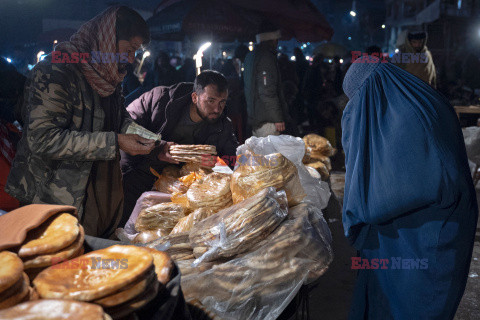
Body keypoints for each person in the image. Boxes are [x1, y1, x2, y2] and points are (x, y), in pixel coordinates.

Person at [5, 6, 165, 238]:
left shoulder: (110, 74)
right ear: (107, 40)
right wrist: (114, 141)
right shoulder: (56, 71)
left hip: (100, 196)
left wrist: (152, 141)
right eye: (129, 49)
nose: (131, 59)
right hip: (55, 202)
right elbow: (42, 139)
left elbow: (119, 119)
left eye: (135, 51)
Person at [342, 58, 478, 319]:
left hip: (431, 238)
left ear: (370, 89)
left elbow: (380, 196)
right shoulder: (414, 97)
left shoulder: (406, 119)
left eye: (357, 100)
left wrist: (354, 209)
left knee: (414, 307)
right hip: (427, 227)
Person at [120, 70, 238, 225]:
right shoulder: (160, 99)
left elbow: (230, 161)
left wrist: (217, 165)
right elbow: (127, 127)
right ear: (195, 97)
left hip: (179, 191)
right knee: (122, 226)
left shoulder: (223, 127)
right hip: (138, 173)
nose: (217, 109)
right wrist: (158, 148)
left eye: (222, 102)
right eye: (211, 101)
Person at [243, 22, 289, 137]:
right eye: (277, 39)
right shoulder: (266, 58)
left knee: (260, 154)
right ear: (272, 39)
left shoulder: (250, 56)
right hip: (267, 122)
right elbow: (266, 90)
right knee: (271, 154)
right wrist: (277, 117)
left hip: (256, 118)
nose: (277, 42)